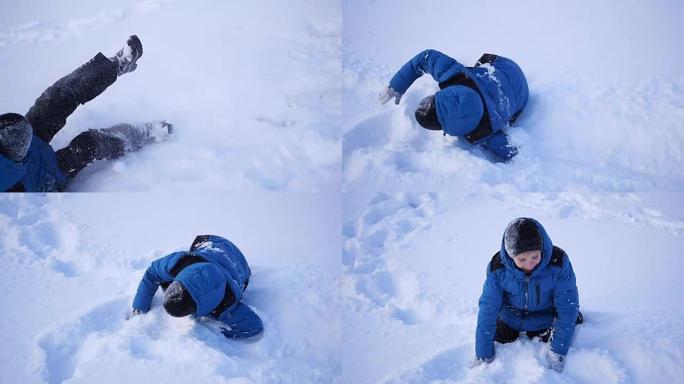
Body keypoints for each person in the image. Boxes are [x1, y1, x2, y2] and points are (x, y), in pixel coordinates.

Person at [0, 35, 173, 192]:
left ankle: (116, 64)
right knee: (89, 144)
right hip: (44, 180)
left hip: (25, 142)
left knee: (57, 98)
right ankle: (143, 134)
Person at [379, 49, 528, 162]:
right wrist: (398, 84)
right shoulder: (454, 76)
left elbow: (509, 152)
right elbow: (426, 57)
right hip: (507, 67)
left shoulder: (482, 132)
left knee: (506, 117)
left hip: (522, 97)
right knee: (482, 65)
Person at [475, 218, 582, 372]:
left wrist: (558, 352)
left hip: (544, 318)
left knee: (562, 325)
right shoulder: (498, 268)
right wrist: (483, 356)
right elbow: (488, 310)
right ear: (511, 257)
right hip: (510, 318)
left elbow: (567, 306)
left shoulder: (558, 263)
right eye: (522, 259)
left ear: (542, 250)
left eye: (535, 256)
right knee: (500, 336)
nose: (529, 263)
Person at [130, 235, 264, 339]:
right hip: (214, 243)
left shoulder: (224, 307)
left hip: (240, 265)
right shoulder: (179, 262)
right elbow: (152, 273)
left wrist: (227, 335)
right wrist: (140, 304)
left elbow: (254, 326)